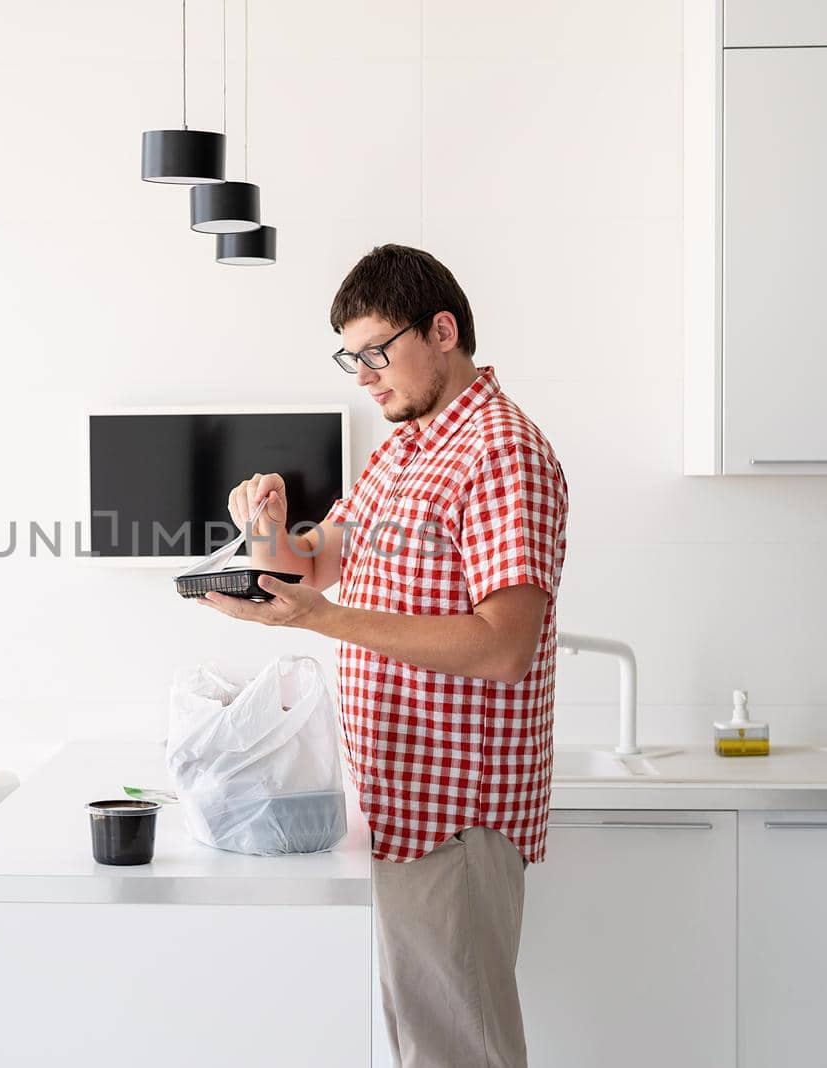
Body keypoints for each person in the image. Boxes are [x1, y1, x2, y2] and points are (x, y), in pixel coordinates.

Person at [198, 244, 568, 1068]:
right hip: (405, 805)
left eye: (375, 353)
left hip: (457, 818)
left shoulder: (500, 451)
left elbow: (505, 647)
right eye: (351, 359)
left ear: (442, 331)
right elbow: (321, 559)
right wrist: (265, 528)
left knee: (460, 1050)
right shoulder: (405, 450)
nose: (363, 377)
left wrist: (325, 620)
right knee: (426, 1044)